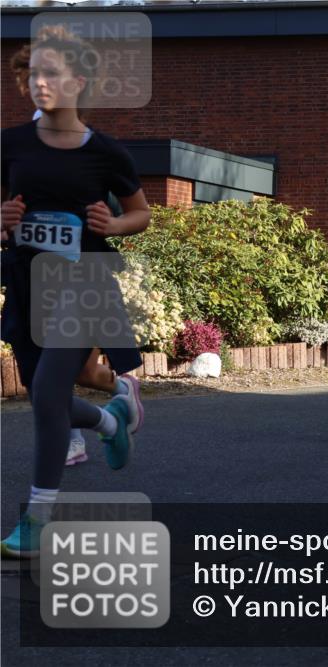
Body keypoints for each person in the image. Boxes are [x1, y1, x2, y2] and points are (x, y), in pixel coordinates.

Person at [1, 25, 147, 557]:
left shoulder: (106, 152)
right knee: (51, 396)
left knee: (44, 394)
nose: (40, 82)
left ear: (79, 81)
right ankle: (109, 420)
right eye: (33, 73)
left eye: (52, 73)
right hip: (26, 280)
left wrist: (114, 226)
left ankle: (38, 519)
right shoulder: (10, 144)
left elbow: (141, 212)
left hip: (84, 281)